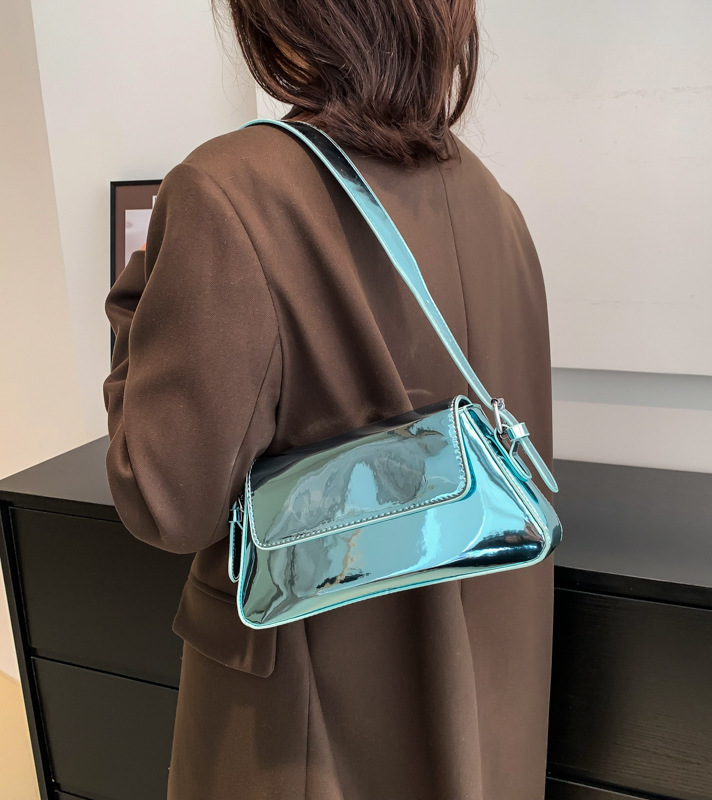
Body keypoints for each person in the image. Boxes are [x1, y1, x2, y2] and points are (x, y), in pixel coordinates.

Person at [102, 0, 556, 798]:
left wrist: (135, 320)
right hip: (490, 704)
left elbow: (167, 500)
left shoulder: (230, 191)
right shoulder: (496, 204)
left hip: (310, 733)